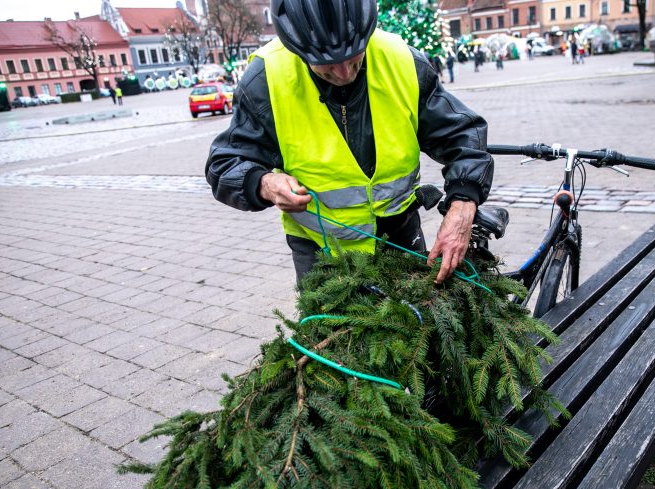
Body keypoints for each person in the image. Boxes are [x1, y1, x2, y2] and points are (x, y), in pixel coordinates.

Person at [206, 0, 493, 286]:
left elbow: (463, 135)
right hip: (321, 251)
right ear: (296, 48)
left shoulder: (403, 61)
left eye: (354, 55)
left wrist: (463, 205)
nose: (344, 73)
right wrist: (263, 183)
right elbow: (225, 164)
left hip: (400, 237)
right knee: (329, 331)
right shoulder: (266, 79)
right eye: (326, 63)